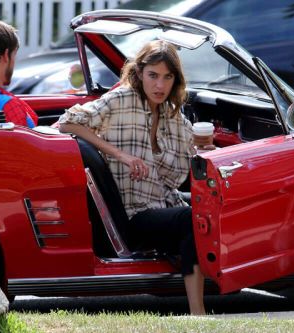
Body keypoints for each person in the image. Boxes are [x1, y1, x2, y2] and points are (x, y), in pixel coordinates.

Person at [58, 40, 206, 315]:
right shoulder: (120, 100)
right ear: (139, 74)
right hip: (133, 214)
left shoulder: (173, 114)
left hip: (162, 202)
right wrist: (121, 155)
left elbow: (191, 156)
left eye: (167, 77)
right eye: (153, 75)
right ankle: (198, 314)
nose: (159, 85)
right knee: (190, 219)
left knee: (207, 207)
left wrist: (206, 151)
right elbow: (66, 122)